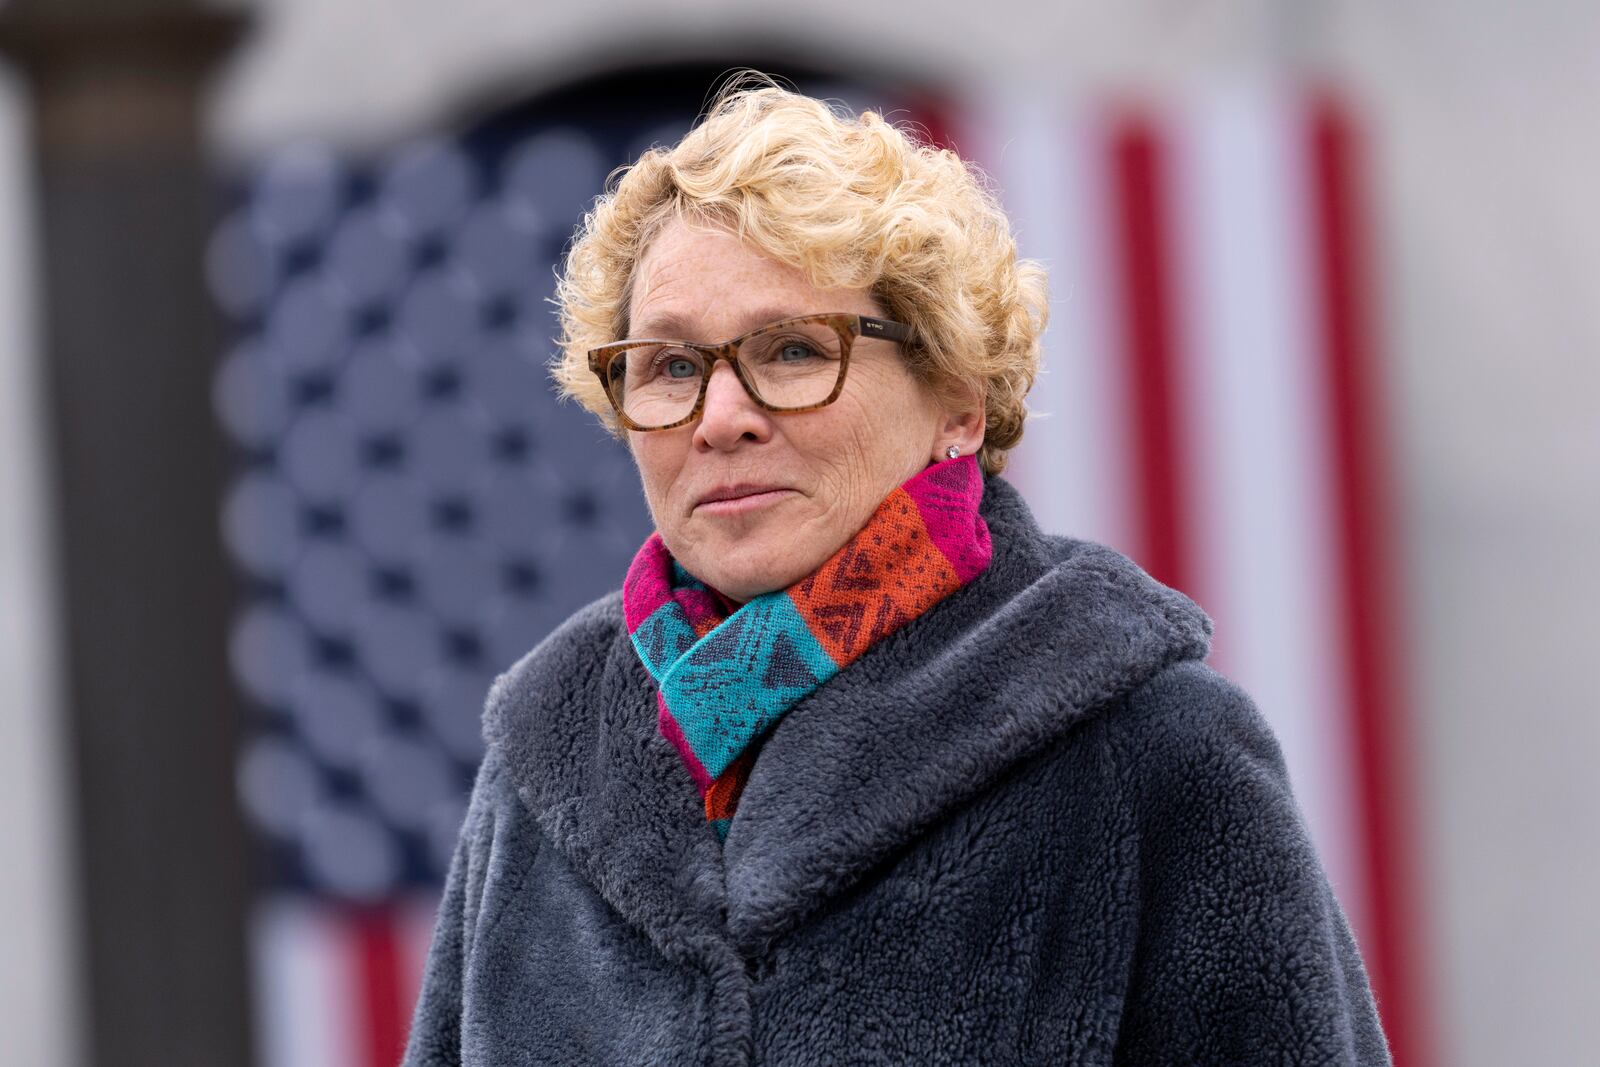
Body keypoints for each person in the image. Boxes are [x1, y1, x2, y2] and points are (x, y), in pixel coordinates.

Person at [401, 80, 1391, 1066]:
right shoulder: (545, 754)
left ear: (957, 400)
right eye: (668, 366)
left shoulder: (1145, 744)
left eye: (791, 349)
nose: (720, 416)